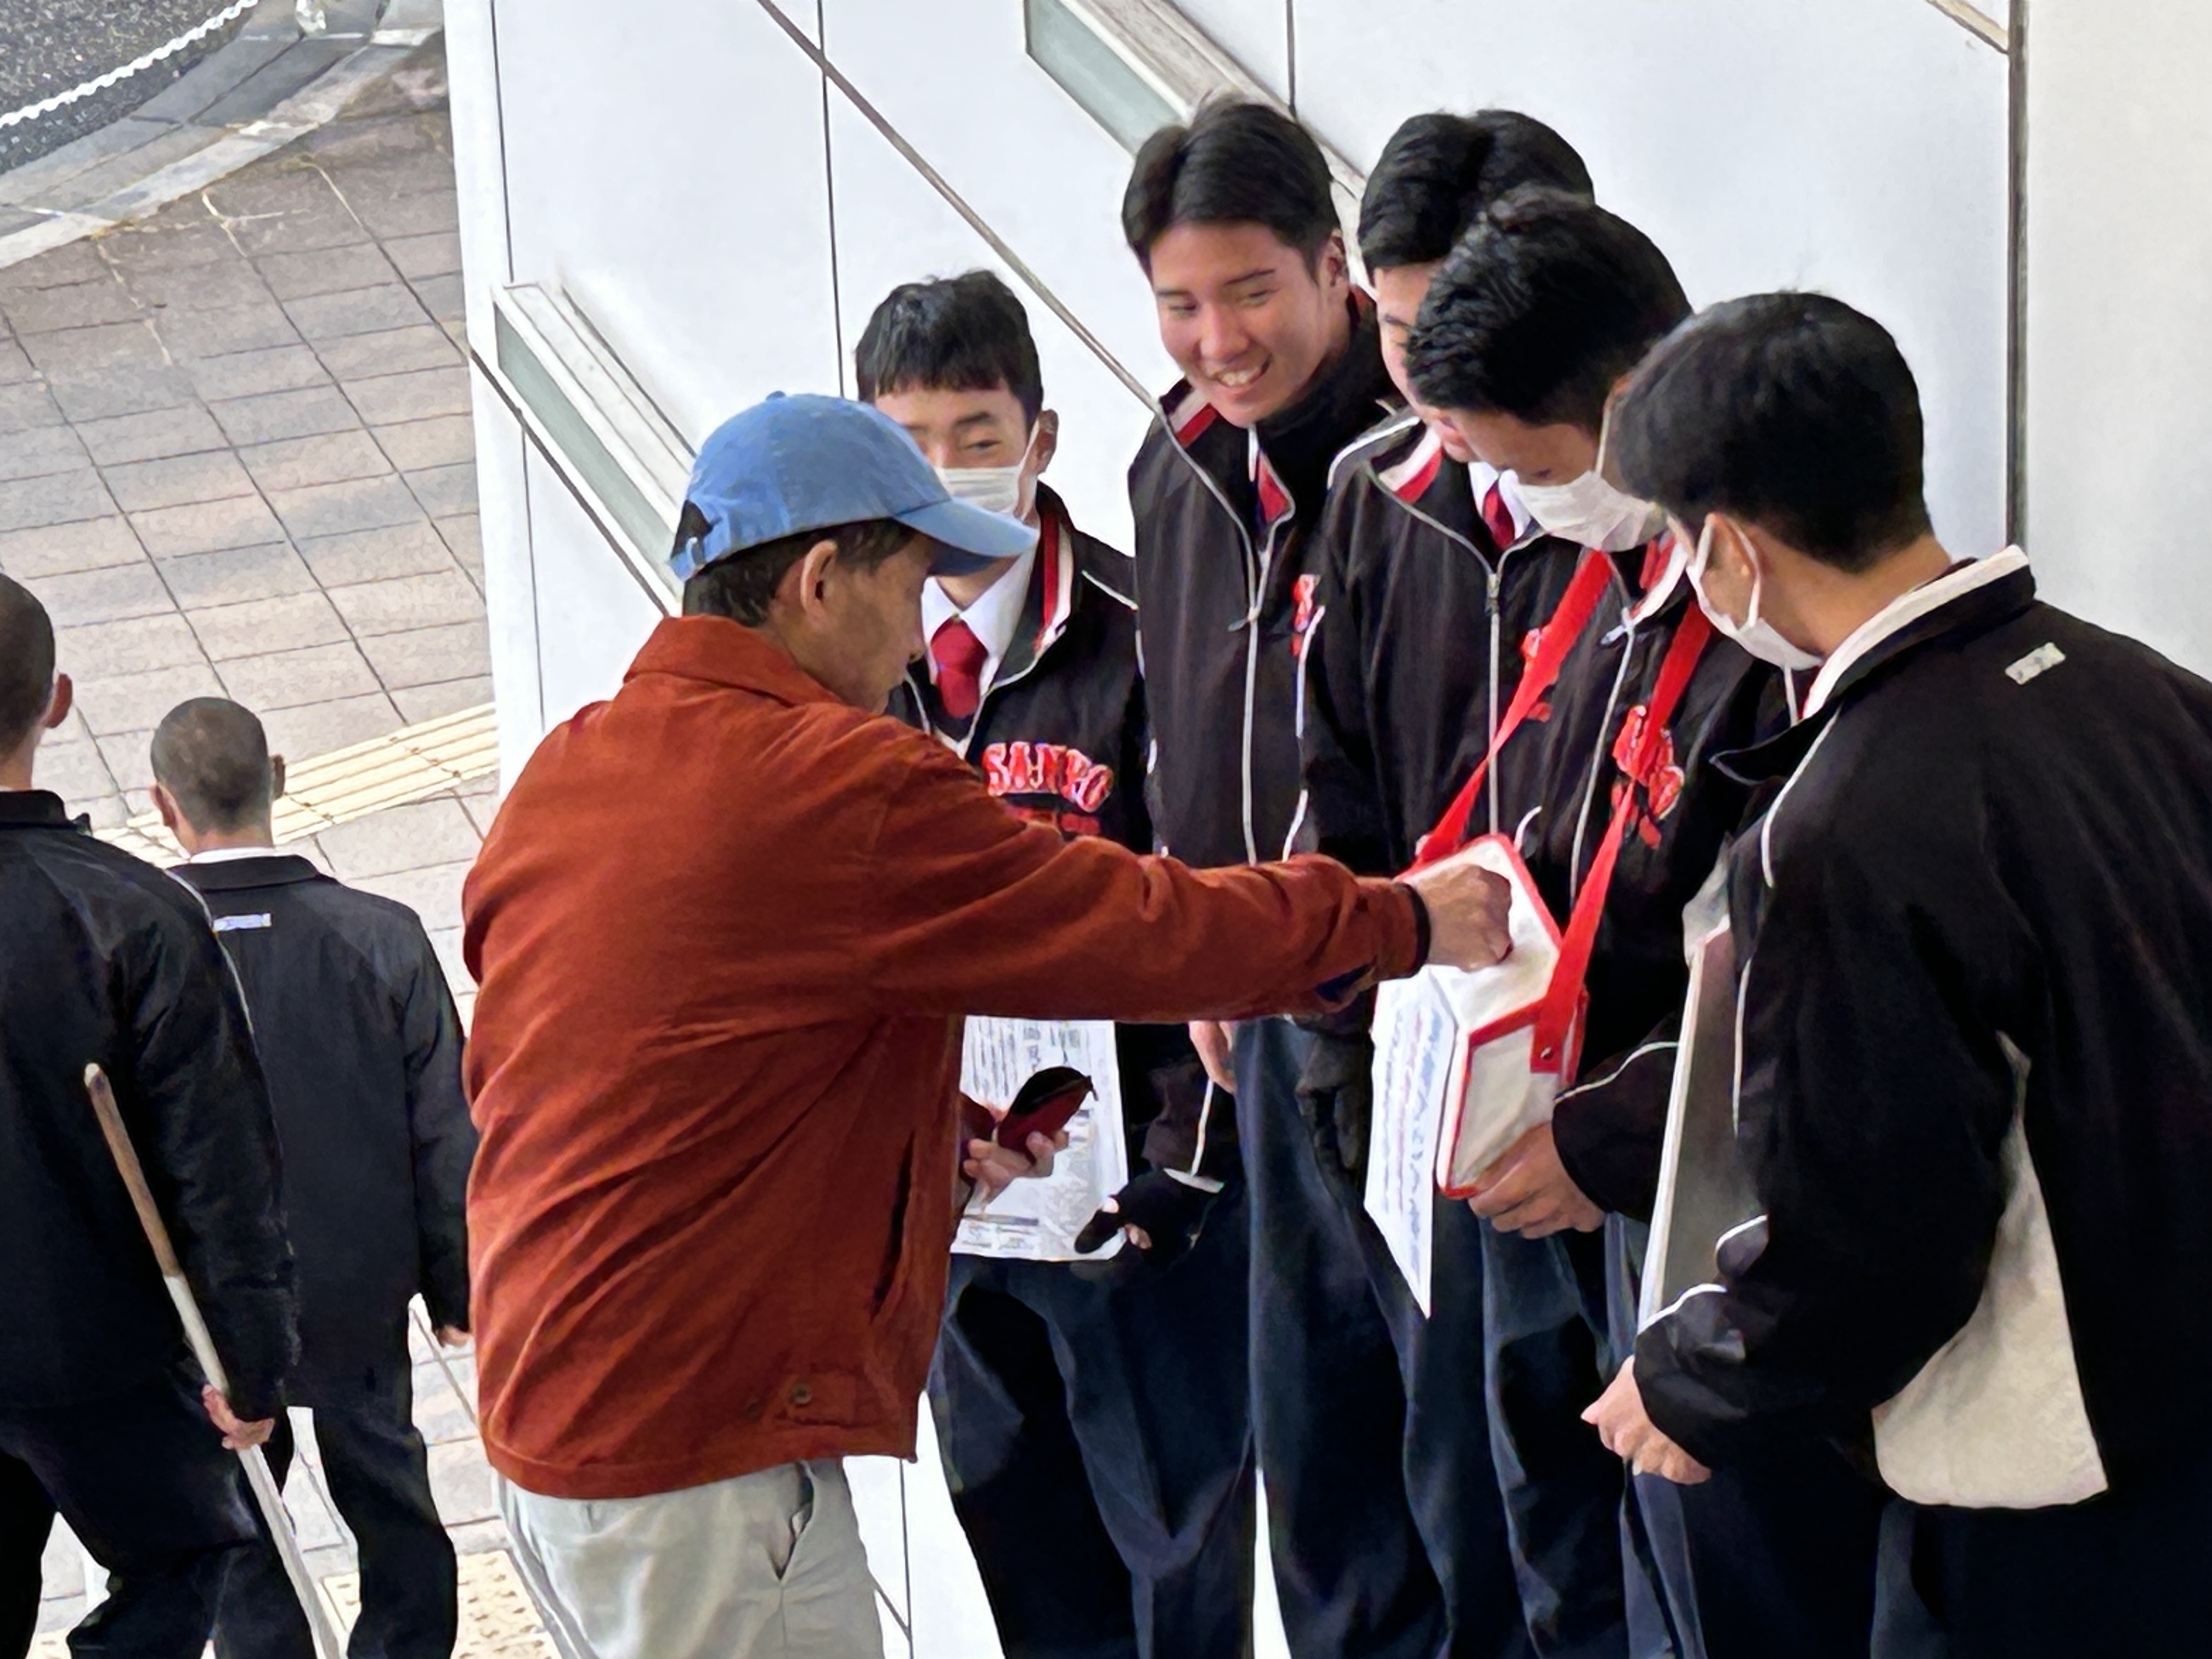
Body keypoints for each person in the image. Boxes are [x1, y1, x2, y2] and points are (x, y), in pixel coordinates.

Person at [460, 392, 1514, 1659]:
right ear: (814, 582)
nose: (920, 639)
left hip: (555, 1421)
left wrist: (909, 1130)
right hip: (701, 1459)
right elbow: (1138, 928)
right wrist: (1398, 919)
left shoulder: (575, 765)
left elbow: (615, 1049)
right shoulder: (835, 779)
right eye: (911, 586)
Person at [1585, 291, 2212, 1658]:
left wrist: (1692, 1383)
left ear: (1734, 549)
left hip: (2058, 1486)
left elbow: (1881, 1231)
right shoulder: (2143, 688)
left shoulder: (1843, 823)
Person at [1121, 99, 1525, 1659]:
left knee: (1460, 1476)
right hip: (1270, 1015)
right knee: (1323, 1468)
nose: (1219, 342)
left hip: (1424, 1019)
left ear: (1332, 269)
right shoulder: (1176, 461)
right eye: (1179, 304)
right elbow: (1179, 725)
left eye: (1250, 295)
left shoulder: (1422, 465)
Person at [1403, 193, 1782, 1659]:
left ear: (1628, 409)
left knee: (1699, 1594)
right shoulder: (1618, 579)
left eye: (1531, 468)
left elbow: (1778, 974)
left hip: (1677, 1198)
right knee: (1566, 1553)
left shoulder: (1764, 621)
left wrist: (1603, 1140)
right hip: (1553, 1157)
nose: (1521, 505)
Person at [859, 271, 1256, 1658]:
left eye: (976, 432)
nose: (946, 471)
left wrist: (1182, 1173)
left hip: (1136, 1220)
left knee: (1177, 1579)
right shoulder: (846, 671)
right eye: (904, 444)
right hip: (952, 1223)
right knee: (1027, 1576)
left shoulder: (1154, 639)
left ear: (1041, 438)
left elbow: (1218, 910)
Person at [1296, 114, 1646, 1659]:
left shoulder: (1658, 539)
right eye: (1396, 327)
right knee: (1450, 1500)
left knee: (1594, 1541)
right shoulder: (1377, 495)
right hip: (1435, 1086)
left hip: (1602, 1127)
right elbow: (1347, 782)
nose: (1424, 374)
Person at [0, 574, 296, 1658]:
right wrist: (253, 1363)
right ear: (59, 698)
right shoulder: (139, 916)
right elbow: (222, 1175)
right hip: (100, 1353)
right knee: (187, 1552)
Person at [145, 698, 476, 1659]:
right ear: (280, 777)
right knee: (390, 1496)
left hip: (207, 1307)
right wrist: (454, 1286)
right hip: (359, 1285)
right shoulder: (381, 935)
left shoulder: (139, 939)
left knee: (245, 1517)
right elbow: (443, 1130)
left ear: (162, 806)